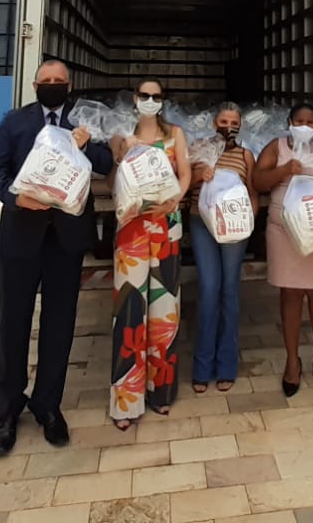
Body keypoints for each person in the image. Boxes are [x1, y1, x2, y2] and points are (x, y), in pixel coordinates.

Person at [0, 59, 114, 456]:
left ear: (69, 85)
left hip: (66, 240)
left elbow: (108, 164)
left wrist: (87, 144)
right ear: (35, 84)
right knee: (13, 324)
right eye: (47, 81)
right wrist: (15, 198)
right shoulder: (14, 122)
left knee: (60, 325)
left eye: (60, 81)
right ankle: (8, 410)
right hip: (20, 238)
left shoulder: (84, 122)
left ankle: (48, 405)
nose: (53, 85)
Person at [109, 79, 192, 429]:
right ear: (134, 99)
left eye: (156, 96)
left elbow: (184, 174)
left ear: (163, 101)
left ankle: (161, 391)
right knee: (129, 315)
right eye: (144, 95)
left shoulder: (175, 134)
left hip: (166, 228)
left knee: (164, 314)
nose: (150, 101)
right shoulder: (121, 134)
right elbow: (115, 176)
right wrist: (124, 150)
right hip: (130, 233)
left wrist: (177, 198)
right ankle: (126, 402)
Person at [254, 102, 313, 398]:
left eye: (311, 121)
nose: (305, 125)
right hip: (284, 230)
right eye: (300, 120)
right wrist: (285, 169)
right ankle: (292, 361)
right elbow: (258, 180)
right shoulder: (277, 146)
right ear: (289, 122)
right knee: (291, 293)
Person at [187, 103, 257, 394]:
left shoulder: (246, 155)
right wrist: (198, 176)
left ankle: (226, 365)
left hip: (234, 227)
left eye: (233, 121)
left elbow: (252, 192)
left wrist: (250, 220)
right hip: (201, 223)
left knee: (230, 290)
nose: (228, 125)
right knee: (209, 288)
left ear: (240, 126)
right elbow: (183, 183)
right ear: (213, 123)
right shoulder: (199, 149)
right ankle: (202, 366)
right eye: (223, 120)